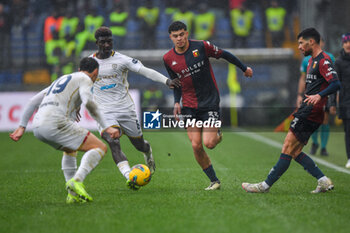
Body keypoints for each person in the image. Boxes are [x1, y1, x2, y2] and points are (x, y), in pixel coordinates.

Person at [242, 28, 341, 193]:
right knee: (295, 151)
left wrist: (319, 96)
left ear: (311, 41)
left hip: (311, 111)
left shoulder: (323, 60)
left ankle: (264, 186)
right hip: (308, 110)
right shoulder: (311, 60)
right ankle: (323, 180)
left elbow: (336, 83)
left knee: (288, 146)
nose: (299, 47)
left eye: (301, 43)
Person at [10, 57, 119, 203]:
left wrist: (22, 126)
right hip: (55, 122)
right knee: (100, 147)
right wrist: (106, 126)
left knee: (70, 149)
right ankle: (77, 181)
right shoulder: (85, 79)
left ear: (79, 69)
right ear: (95, 73)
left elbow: (32, 101)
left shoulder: (64, 78)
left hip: (37, 126)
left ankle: (71, 196)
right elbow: (89, 103)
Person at [163, 21, 253, 190]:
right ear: (171, 38)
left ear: (187, 33)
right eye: (175, 36)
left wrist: (244, 68)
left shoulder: (202, 46)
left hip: (210, 102)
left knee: (210, 143)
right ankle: (214, 181)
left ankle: (217, 133)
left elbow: (225, 54)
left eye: (182, 34)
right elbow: (176, 83)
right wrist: (176, 102)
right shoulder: (168, 58)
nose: (179, 38)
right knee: (196, 145)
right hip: (189, 105)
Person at [90, 26, 180, 189]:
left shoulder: (122, 60)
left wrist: (167, 81)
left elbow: (145, 71)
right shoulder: (89, 63)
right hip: (104, 111)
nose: (107, 45)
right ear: (97, 43)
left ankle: (148, 152)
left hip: (126, 109)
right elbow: (79, 85)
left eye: (109, 41)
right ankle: (130, 176)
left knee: (139, 145)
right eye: (103, 42)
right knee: (113, 140)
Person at [296, 38, 336, 156]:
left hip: (324, 94)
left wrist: (333, 96)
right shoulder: (306, 60)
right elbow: (303, 78)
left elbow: (333, 78)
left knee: (324, 119)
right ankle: (314, 143)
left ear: (321, 43)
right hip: (310, 93)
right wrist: (299, 95)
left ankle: (323, 147)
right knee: (311, 119)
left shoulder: (329, 57)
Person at [334, 33, 350, 168]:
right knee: (348, 131)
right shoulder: (338, 62)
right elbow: (334, 85)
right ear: (342, 44)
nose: (348, 44)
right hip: (346, 102)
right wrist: (333, 103)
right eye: (345, 42)